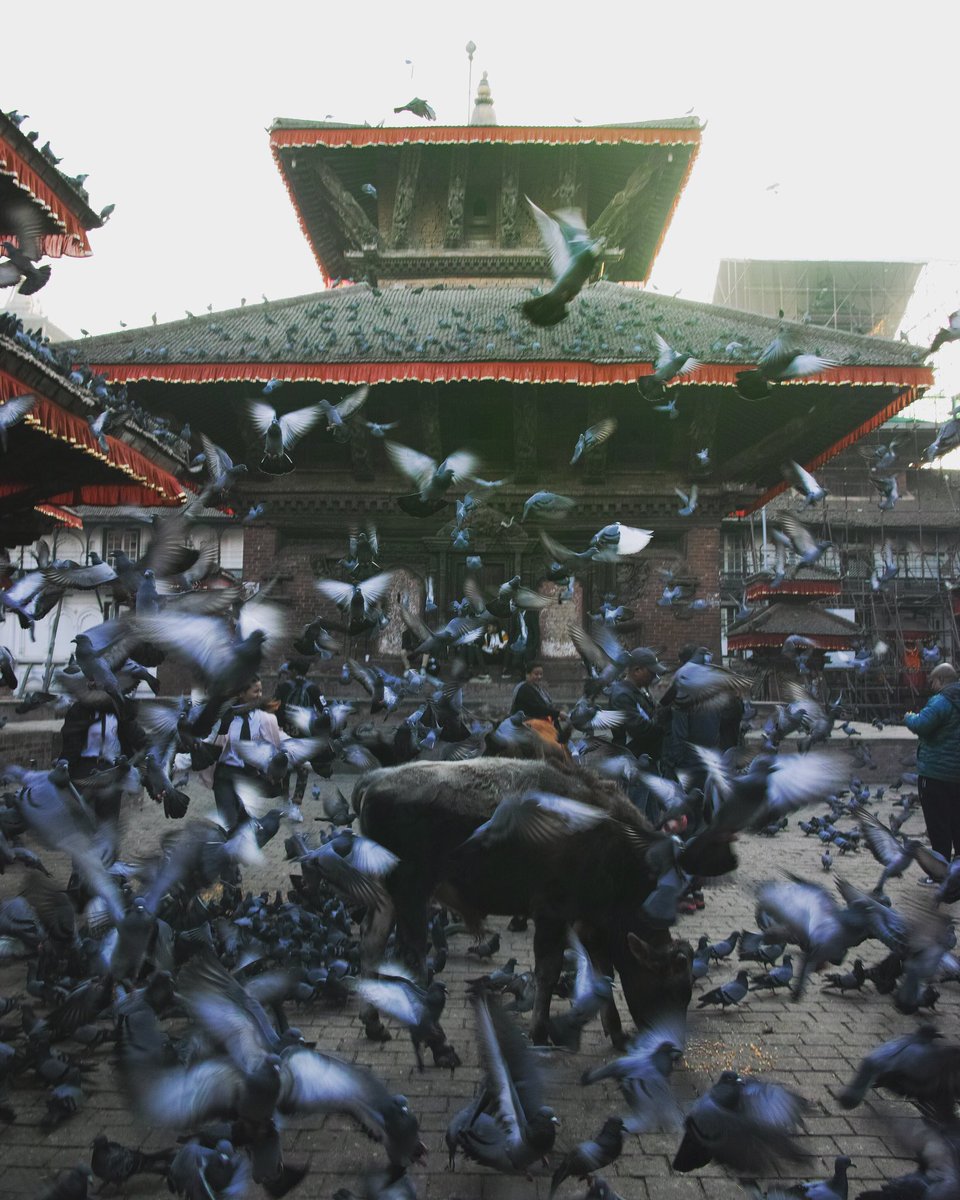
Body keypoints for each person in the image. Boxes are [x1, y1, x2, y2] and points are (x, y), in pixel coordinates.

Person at [204, 676, 288, 832]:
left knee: (246, 825)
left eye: (261, 691)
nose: (259, 695)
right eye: (256, 691)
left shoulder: (262, 717)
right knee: (228, 824)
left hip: (249, 776)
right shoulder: (225, 717)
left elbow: (277, 740)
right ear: (241, 693)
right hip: (225, 775)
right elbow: (206, 740)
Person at [904, 662, 960, 874]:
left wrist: (909, 717)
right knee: (958, 821)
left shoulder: (941, 701)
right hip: (958, 775)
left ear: (943, 681)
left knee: (938, 825)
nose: (932, 686)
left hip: (935, 775)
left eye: (933, 682)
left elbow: (921, 725)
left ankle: (940, 873)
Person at [607, 648, 669, 762]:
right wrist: (664, 712)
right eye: (651, 673)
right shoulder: (622, 696)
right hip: (632, 759)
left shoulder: (638, 690)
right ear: (637, 670)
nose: (655, 677)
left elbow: (651, 714)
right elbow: (643, 730)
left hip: (645, 756)